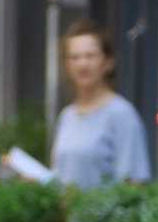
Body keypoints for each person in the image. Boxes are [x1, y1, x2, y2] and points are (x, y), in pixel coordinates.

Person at [49, 19, 152, 188]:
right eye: (75, 57)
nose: (82, 64)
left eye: (90, 56)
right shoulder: (67, 116)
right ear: (67, 65)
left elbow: (133, 184)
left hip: (103, 214)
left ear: (108, 62)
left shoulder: (122, 114)